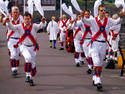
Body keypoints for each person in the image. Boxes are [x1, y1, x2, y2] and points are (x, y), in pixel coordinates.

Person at [81, 5, 124, 90]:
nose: (103, 12)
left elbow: (117, 22)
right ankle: (98, 80)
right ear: (98, 11)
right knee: (96, 62)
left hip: (103, 45)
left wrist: (121, 16)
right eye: (101, 10)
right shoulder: (93, 20)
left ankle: (95, 77)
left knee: (99, 64)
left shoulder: (108, 20)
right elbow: (85, 21)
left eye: (104, 10)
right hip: (95, 44)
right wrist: (82, 16)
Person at [4, 12, 46, 86]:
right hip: (23, 46)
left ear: (30, 19)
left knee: (33, 65)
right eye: (25, 19)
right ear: (23, 19)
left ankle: (31, 78)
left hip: (33, 47)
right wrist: (8, 22)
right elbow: (12, 27)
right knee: (28, 58)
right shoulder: (20, 26)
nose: (27, 20)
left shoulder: (34, 26)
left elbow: (41, 26)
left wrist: (43, 21)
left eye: (28, 19)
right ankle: (28, 76)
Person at [2, 6, 23, 76]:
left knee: (17, 56)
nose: (16, 14)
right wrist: (6, 20)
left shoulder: (21, 18)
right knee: (13, 54)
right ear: (12, 13)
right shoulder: (8, 17)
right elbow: (4, 24)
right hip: (11, 39)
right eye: (14, 12)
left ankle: (15, 68)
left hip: (20, 40)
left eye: (17, 12)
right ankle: (13, 69)